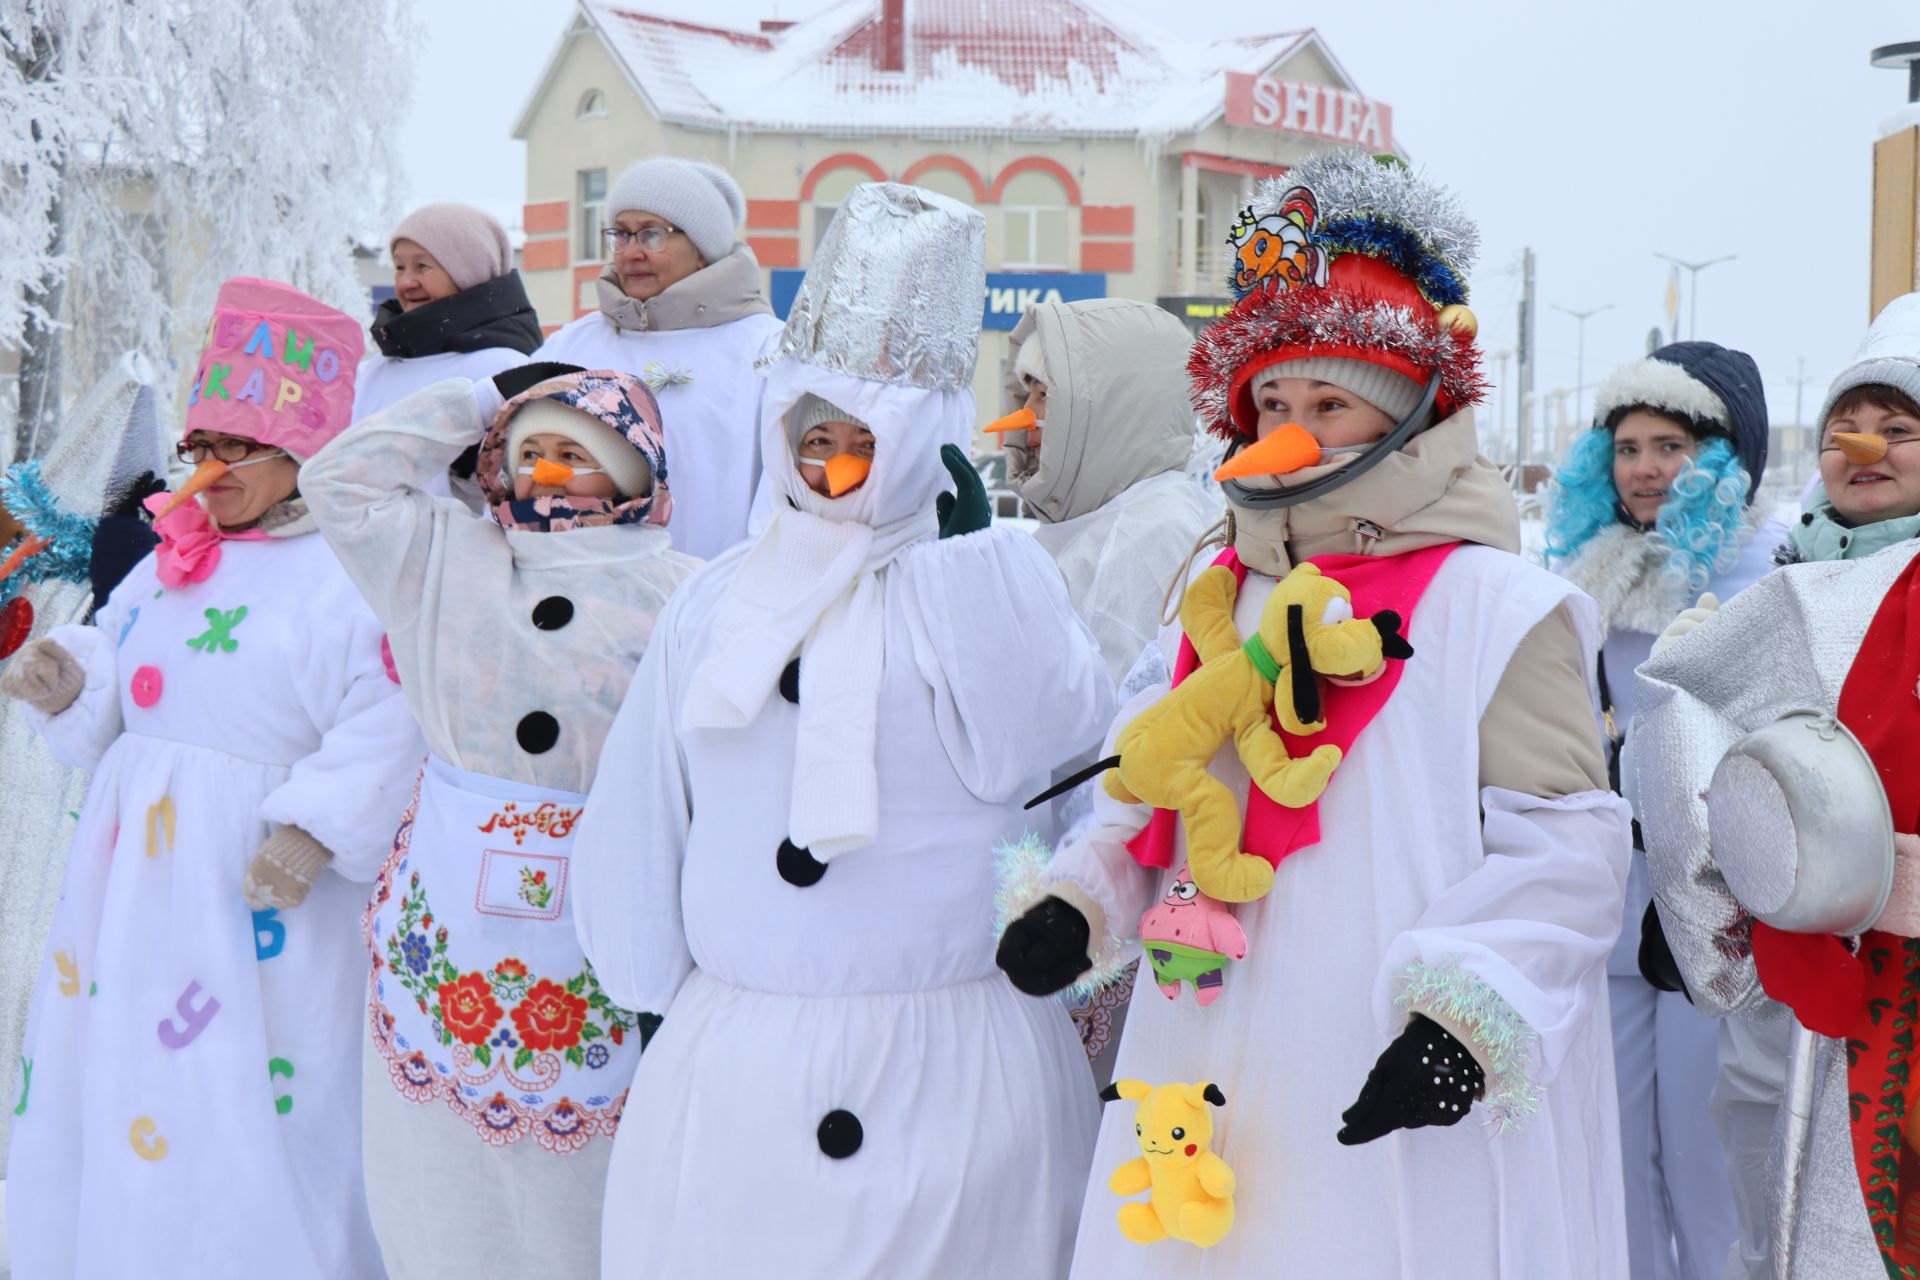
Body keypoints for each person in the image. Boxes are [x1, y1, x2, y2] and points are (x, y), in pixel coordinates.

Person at [995, 149, 1633, 1276]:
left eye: (1329, 403)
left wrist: (1461, 1020)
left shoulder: (1502, 606)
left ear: (1404, 415)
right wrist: (1081, 899)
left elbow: (1570, 848)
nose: (1294, 427)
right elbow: (1154, 778)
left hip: (1388, 1066)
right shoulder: (1222, 589)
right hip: (1205, 1046)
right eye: (1273, 402)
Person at [571, 182, 1115, 1278]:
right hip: (743, 1071)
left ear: (924, 443)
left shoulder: (989, 585)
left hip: (956, 1077)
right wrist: (645, 989)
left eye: (862, 441)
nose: (827, 466)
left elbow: (1042, 758)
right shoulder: (719, 600)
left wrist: (973, 572)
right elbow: (643, 802)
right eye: (809, 436)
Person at [2, 278, 421, 1278]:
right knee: (124, 1062)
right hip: (133, 879)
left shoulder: (351, 574)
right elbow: (124, 662)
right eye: (199, 447)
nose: (208, 471)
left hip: (259, 892)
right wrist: (73, 678)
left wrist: (316, 828)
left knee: (262, 1082)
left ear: (303, 453)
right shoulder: (168, 559)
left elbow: (389, 711)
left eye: (236, 449)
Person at [301, 360, 699, 1277]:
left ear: (638, 471)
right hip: (451, 934)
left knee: (597, 1189)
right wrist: (479, 398)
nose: (548, 474)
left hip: (609, 926)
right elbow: (339, 480)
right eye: (529, 453)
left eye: (578, 454)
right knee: (438, 1180)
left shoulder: (690, 592)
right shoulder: (442, 558)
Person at [1635, 292, 1920, 1279]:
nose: (1867, 446)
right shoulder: (1791, 597)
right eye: (1848, 426)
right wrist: (1731, 905)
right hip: (1826, 981)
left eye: (1899, 428)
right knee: (1803, 1215)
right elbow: (1679, 726)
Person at [1542, 341, 1784, 1280]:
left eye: (1670, 444)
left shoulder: (1766, 578)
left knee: (1708, 1158)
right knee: (1611, 1160)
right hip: (1607, 904)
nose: (1644, 467)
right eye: (1628, 445)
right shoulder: (1586, 580)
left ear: (1721, 458)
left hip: (1716, 912)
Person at [985, 297, 1218, 1085]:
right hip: (1064, 892)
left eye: (1042, 396)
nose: (1023, 420)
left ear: (1104, 402)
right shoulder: (1100, 520)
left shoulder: (1153, 529)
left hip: (1097, 907)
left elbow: (1109, 737)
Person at [0, 353, 166, 1172]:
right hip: (34, 770)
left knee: (42, 925)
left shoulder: (125, 555)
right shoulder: (33, 563)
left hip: (64, 774)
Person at [535, 158, 782, 559]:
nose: (631, 252)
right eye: (621, 234)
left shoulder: (765, 351)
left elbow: (783, 499)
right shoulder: (573, 345)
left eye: (652, 235)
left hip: (710, 599)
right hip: (583, 601)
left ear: (702, 250)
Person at [354, 203, 544, 506]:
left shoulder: (502, 369)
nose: (405, 282)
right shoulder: (375, 370)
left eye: (422, 266)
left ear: (467, 272)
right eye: (400, 266)